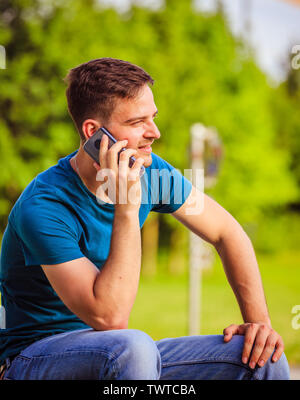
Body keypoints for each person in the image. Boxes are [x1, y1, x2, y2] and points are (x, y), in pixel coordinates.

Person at [0, 58, 290, 380]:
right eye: (139, 122)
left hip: (115, 352)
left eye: (152, 118)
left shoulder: (154, 173)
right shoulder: (43, 207)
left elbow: (225, 232)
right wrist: (127, 206)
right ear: (94, 133)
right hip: (33, 359)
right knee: (132, 346)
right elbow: (109, 317)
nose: (155, 132)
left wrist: (259, 326)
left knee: (265, 361)